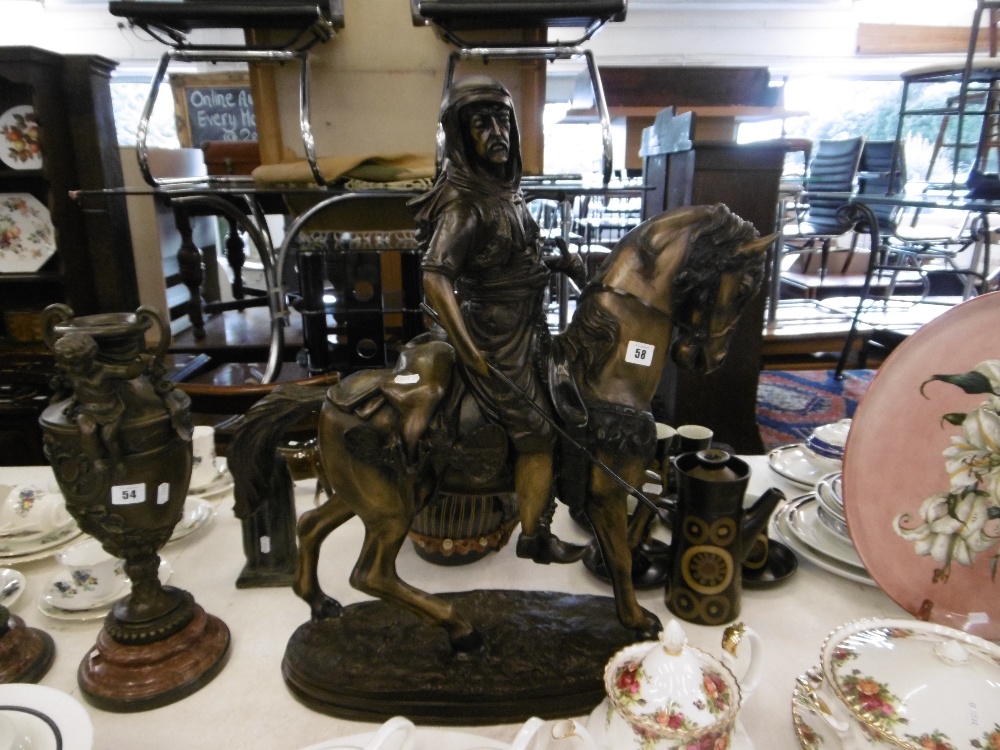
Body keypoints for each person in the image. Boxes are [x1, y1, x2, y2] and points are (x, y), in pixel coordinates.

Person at [411, 75, 585, 564]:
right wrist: (471, 352)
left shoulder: (506, 192)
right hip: (493, 337)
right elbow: (434, 277)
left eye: (502, 119)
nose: (496, 131)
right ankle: (533, 534)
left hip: (528, 328)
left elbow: (507, 260)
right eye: (481, 123)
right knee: (537, 432)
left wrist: (556, 264)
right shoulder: (465, 205)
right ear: (462, 136)